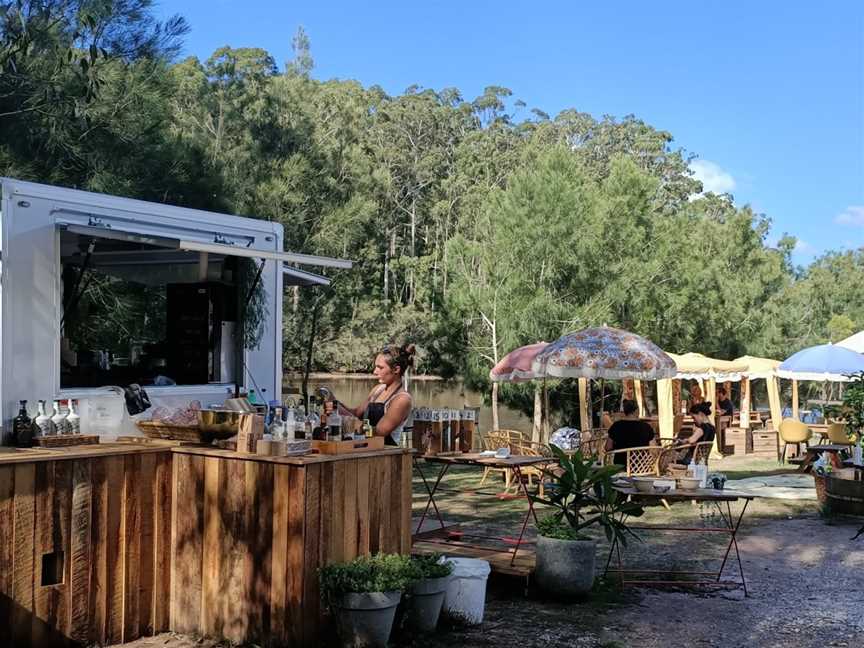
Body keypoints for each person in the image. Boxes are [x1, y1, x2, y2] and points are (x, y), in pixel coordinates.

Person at [341, 343, 415, 446]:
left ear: (396, 370)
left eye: (380, 368)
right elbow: (356, 413)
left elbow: (379, 433)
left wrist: (358, 426)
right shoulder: (377, 390)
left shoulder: (402, 399)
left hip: (386, 454)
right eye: (375, 367)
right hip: (366, 449)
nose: (375, 371)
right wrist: (335, 404)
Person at [604, 399, 656, 467]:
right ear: (636, 411)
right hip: (642, 468)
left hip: (620, 467)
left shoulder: (616, 426)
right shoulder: (646, 427)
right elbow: (654, 448)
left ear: (625, 412)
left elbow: (608, 447)